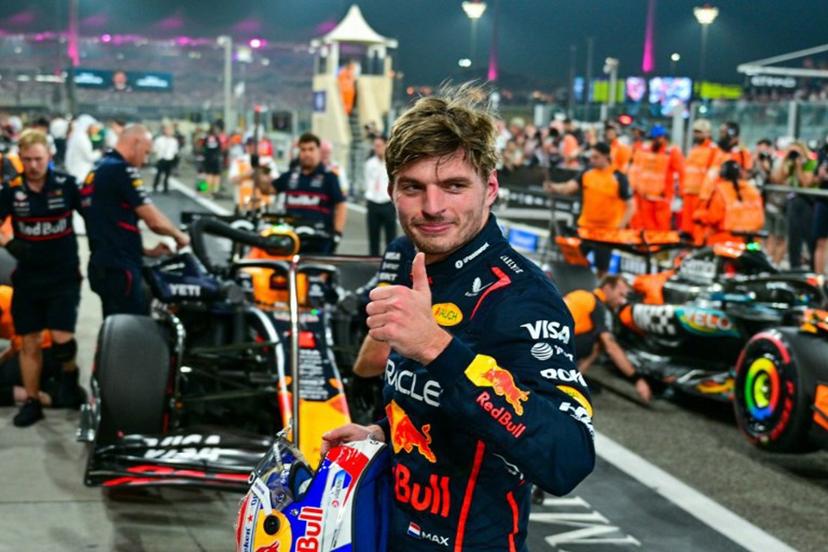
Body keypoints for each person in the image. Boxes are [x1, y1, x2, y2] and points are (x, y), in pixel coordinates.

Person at [321, 84, 594, 551]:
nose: (432, 207)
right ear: (391, 191)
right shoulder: (414, 256)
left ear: (490, 188)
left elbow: (566, 458)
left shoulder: (524, 298)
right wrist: (383, 435)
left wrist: (436, 347)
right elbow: (439, 410)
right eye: (413, 187)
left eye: (453, 186)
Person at [0, 129, 85, 426]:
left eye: (38, 159)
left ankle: (70, 379)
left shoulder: (66, 185)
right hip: (28, 278)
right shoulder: (11, 191)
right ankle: (33, 401)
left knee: (62, 340)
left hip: (63, 275)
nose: (33, 165)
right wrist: (8, 241)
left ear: (49, 156)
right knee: (29, 341)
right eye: (27, 160)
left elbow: (94, 218)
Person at [82, 124, 190, 317]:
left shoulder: (98, 168)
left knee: (113, 327)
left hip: (102, 263)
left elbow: (108, 222)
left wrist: (146, 251)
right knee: (129, 330)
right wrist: (179, 236)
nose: (145, 160)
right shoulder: (121, 170)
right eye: (146, 152)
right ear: (135, 143)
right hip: (120, 269)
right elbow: (154, 221)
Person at [545, 142, 634, 276]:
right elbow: (569, 187)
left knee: (602, 269)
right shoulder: (587, 172)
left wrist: (618, 229)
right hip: (585, 229)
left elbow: (631, 206)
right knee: (573, 260)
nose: (592, 160)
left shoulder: (618, 177)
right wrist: (554, 187)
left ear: (606, 157)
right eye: (591, 157)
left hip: (606, 233)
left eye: (596, 157)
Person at [564, 276, 652, 402]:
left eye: (624, 297)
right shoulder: (598, 307)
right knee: (600, 342)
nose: (622, 301)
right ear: (607, 288)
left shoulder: (580, 294)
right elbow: (611, 348)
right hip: (553, 346)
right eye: (620, 294)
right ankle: (572, 384)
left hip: (539, 338)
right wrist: (637, 379)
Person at [257, 133, 346, 254]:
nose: (307, 153)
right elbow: (267, 190)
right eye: (303, 150)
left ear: (318, 151)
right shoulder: (290, 176)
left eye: (311, 149)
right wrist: (259, 172)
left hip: (319, 242)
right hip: (291, 240)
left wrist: (337, 234)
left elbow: (340, 205)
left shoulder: (329, 178)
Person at [693, 160, 765, 246]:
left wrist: (698, 215)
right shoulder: (753, 190)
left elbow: (714, 218)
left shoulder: (721, 191)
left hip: (728, 240)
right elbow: (761, 219)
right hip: (752, 242)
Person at [628, 125, 684, 231]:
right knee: (646, 224)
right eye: (653, 139)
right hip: (645, 196)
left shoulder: (671, 152)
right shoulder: (645, 151)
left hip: (662, 197)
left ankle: (659, 246)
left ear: (664, 138)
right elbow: (637, 170)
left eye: (657, 138)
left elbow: (681, 172)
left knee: (661, 225)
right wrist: (634, 188)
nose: (654, 141)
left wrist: (680, 193)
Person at [772, 142, 816, 269]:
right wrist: (785, 160)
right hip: (792, 203)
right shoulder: (789, 163)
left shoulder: (810, 163)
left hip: (807, 203)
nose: (794, 155)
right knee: (793, 238)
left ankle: (813, 266)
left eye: (797, 152)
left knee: (809, 237)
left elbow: (805, 183)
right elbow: (778, 179)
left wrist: (799, 166)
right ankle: (794, 266)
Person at [681, 119, 719, 237]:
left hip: (701, 195)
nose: (696, 135)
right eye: (695, 132)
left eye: (700, 132)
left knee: (699, 225)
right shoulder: (694, 149)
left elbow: (713, 173)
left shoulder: (713, 150)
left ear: (708, 133)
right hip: (689, 193)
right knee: (687, 227)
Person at [364, 135, 397, 256]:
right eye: (375, 146)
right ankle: (373, 262)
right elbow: (368, 182)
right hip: (373, 202)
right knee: (373, 236)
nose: (377, 148)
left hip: (387, 202)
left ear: (385, 146)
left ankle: (391, 260)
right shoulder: (369, 163)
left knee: (391, 237)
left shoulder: (392, 163)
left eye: (379, 146)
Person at [755, 138, 786, 265]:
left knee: (780, 238)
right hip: (767, 204)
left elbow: (778, 179)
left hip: (782, 205)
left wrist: (767, 168)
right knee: (768, 236)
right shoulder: (760, 161)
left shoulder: (780, 161)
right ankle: (768, 263)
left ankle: (776, 264)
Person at [229, 137, 276, 212]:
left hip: (262, 203)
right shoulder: (239, 160)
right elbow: (232, 179)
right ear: (246, 146)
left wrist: (260, 173)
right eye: (249, 145)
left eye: (254, 145)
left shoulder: (267, 161)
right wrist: (245, 175)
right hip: (243, 204)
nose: (251, 147)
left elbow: (274, 179)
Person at [64, 114, 101, 184]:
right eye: (92, 127)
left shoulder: (78, 136)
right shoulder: (82, 138)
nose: (94, 129)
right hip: (81, 173)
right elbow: (90, 157)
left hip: (76, 170)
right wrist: (100, 152)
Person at [152, 125, 179, 193]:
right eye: (168, 130)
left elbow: (175, 150)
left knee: (167, 175)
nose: (169, 132)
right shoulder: (159, 139)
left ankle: (165, 188)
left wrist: (173, 158)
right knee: (158, 174)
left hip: (169, 159)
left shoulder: (174, 141)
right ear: (164, 131)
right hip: (161, 159)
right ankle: (155, 186)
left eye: (171, 131)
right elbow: (155, 149)